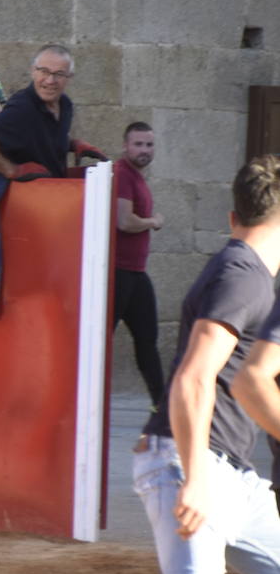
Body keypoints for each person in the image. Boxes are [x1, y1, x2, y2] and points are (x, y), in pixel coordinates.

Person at [134, 157, 280, 574]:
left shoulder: (242, 269)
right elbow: (195, 376)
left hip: (229, 471)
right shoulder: (244, 274)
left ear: (232, 214)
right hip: (195, 461)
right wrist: (193, 477)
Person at [0, 45, 106, 179]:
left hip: (56, 191)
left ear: (69, 77)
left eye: (59, 74)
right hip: (29, 198)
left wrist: (71, 144)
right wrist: (12, 171)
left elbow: (38, 135)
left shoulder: (65, 104)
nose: (51, 80)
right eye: (44, 71)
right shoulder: (23, 107)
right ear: (33, 71)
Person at [114, 123, 168, 411]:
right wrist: (153, 222)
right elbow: (124, 221)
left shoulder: (136, 177)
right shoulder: (123, 174)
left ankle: (161, 405)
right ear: (125, 146)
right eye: (138, 144)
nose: (144, 150)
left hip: (135, 272)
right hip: (119, 272)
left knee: (147, 340)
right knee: (102, 339)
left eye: (149, 145)